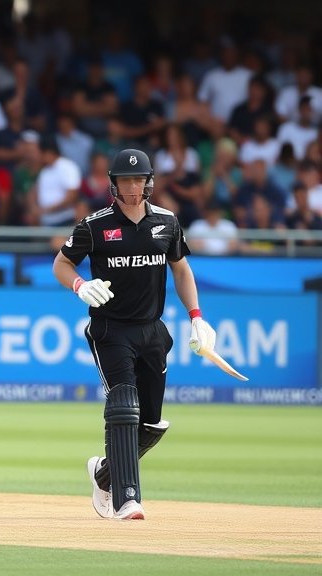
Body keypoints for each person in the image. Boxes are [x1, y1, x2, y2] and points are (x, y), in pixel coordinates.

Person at [53, 148, 216, 521]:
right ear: (114, 184)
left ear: (148, 182)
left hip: (152, 331)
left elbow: (182, 271)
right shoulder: (94, 226)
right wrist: (79, 285)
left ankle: (103, 473)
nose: (131, 187)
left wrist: (196, 317)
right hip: (111, 329)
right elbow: (61, 264)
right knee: (124, 407)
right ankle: (127, 498)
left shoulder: (168, 222)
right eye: (125, 180)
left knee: (152, 423)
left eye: (137, 179)